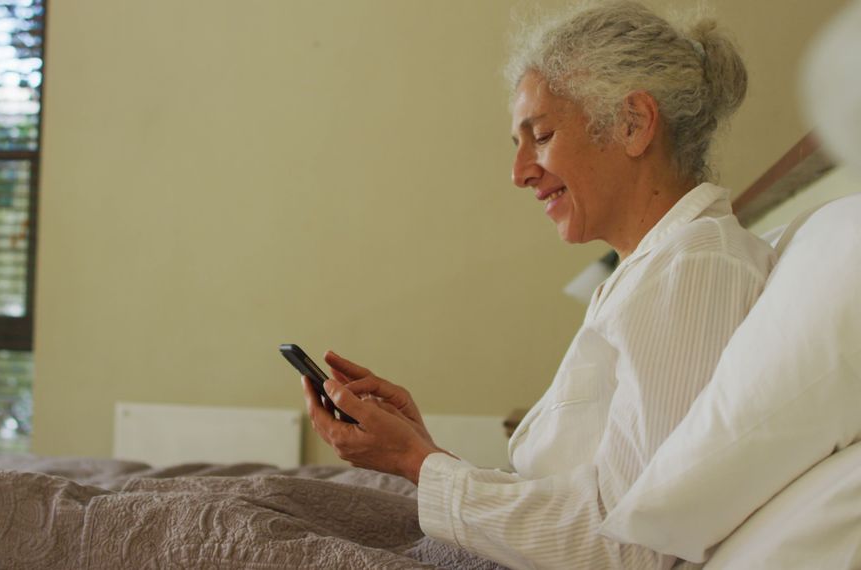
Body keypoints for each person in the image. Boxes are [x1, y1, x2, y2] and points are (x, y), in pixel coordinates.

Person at [303, 1, 777, 568]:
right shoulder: (654, 268)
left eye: (542, 135)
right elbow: (582, 494)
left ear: (633, 124)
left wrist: (416, 465)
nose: (519, 171)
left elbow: (636, 543)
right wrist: (425, 451)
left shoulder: (694, 270)